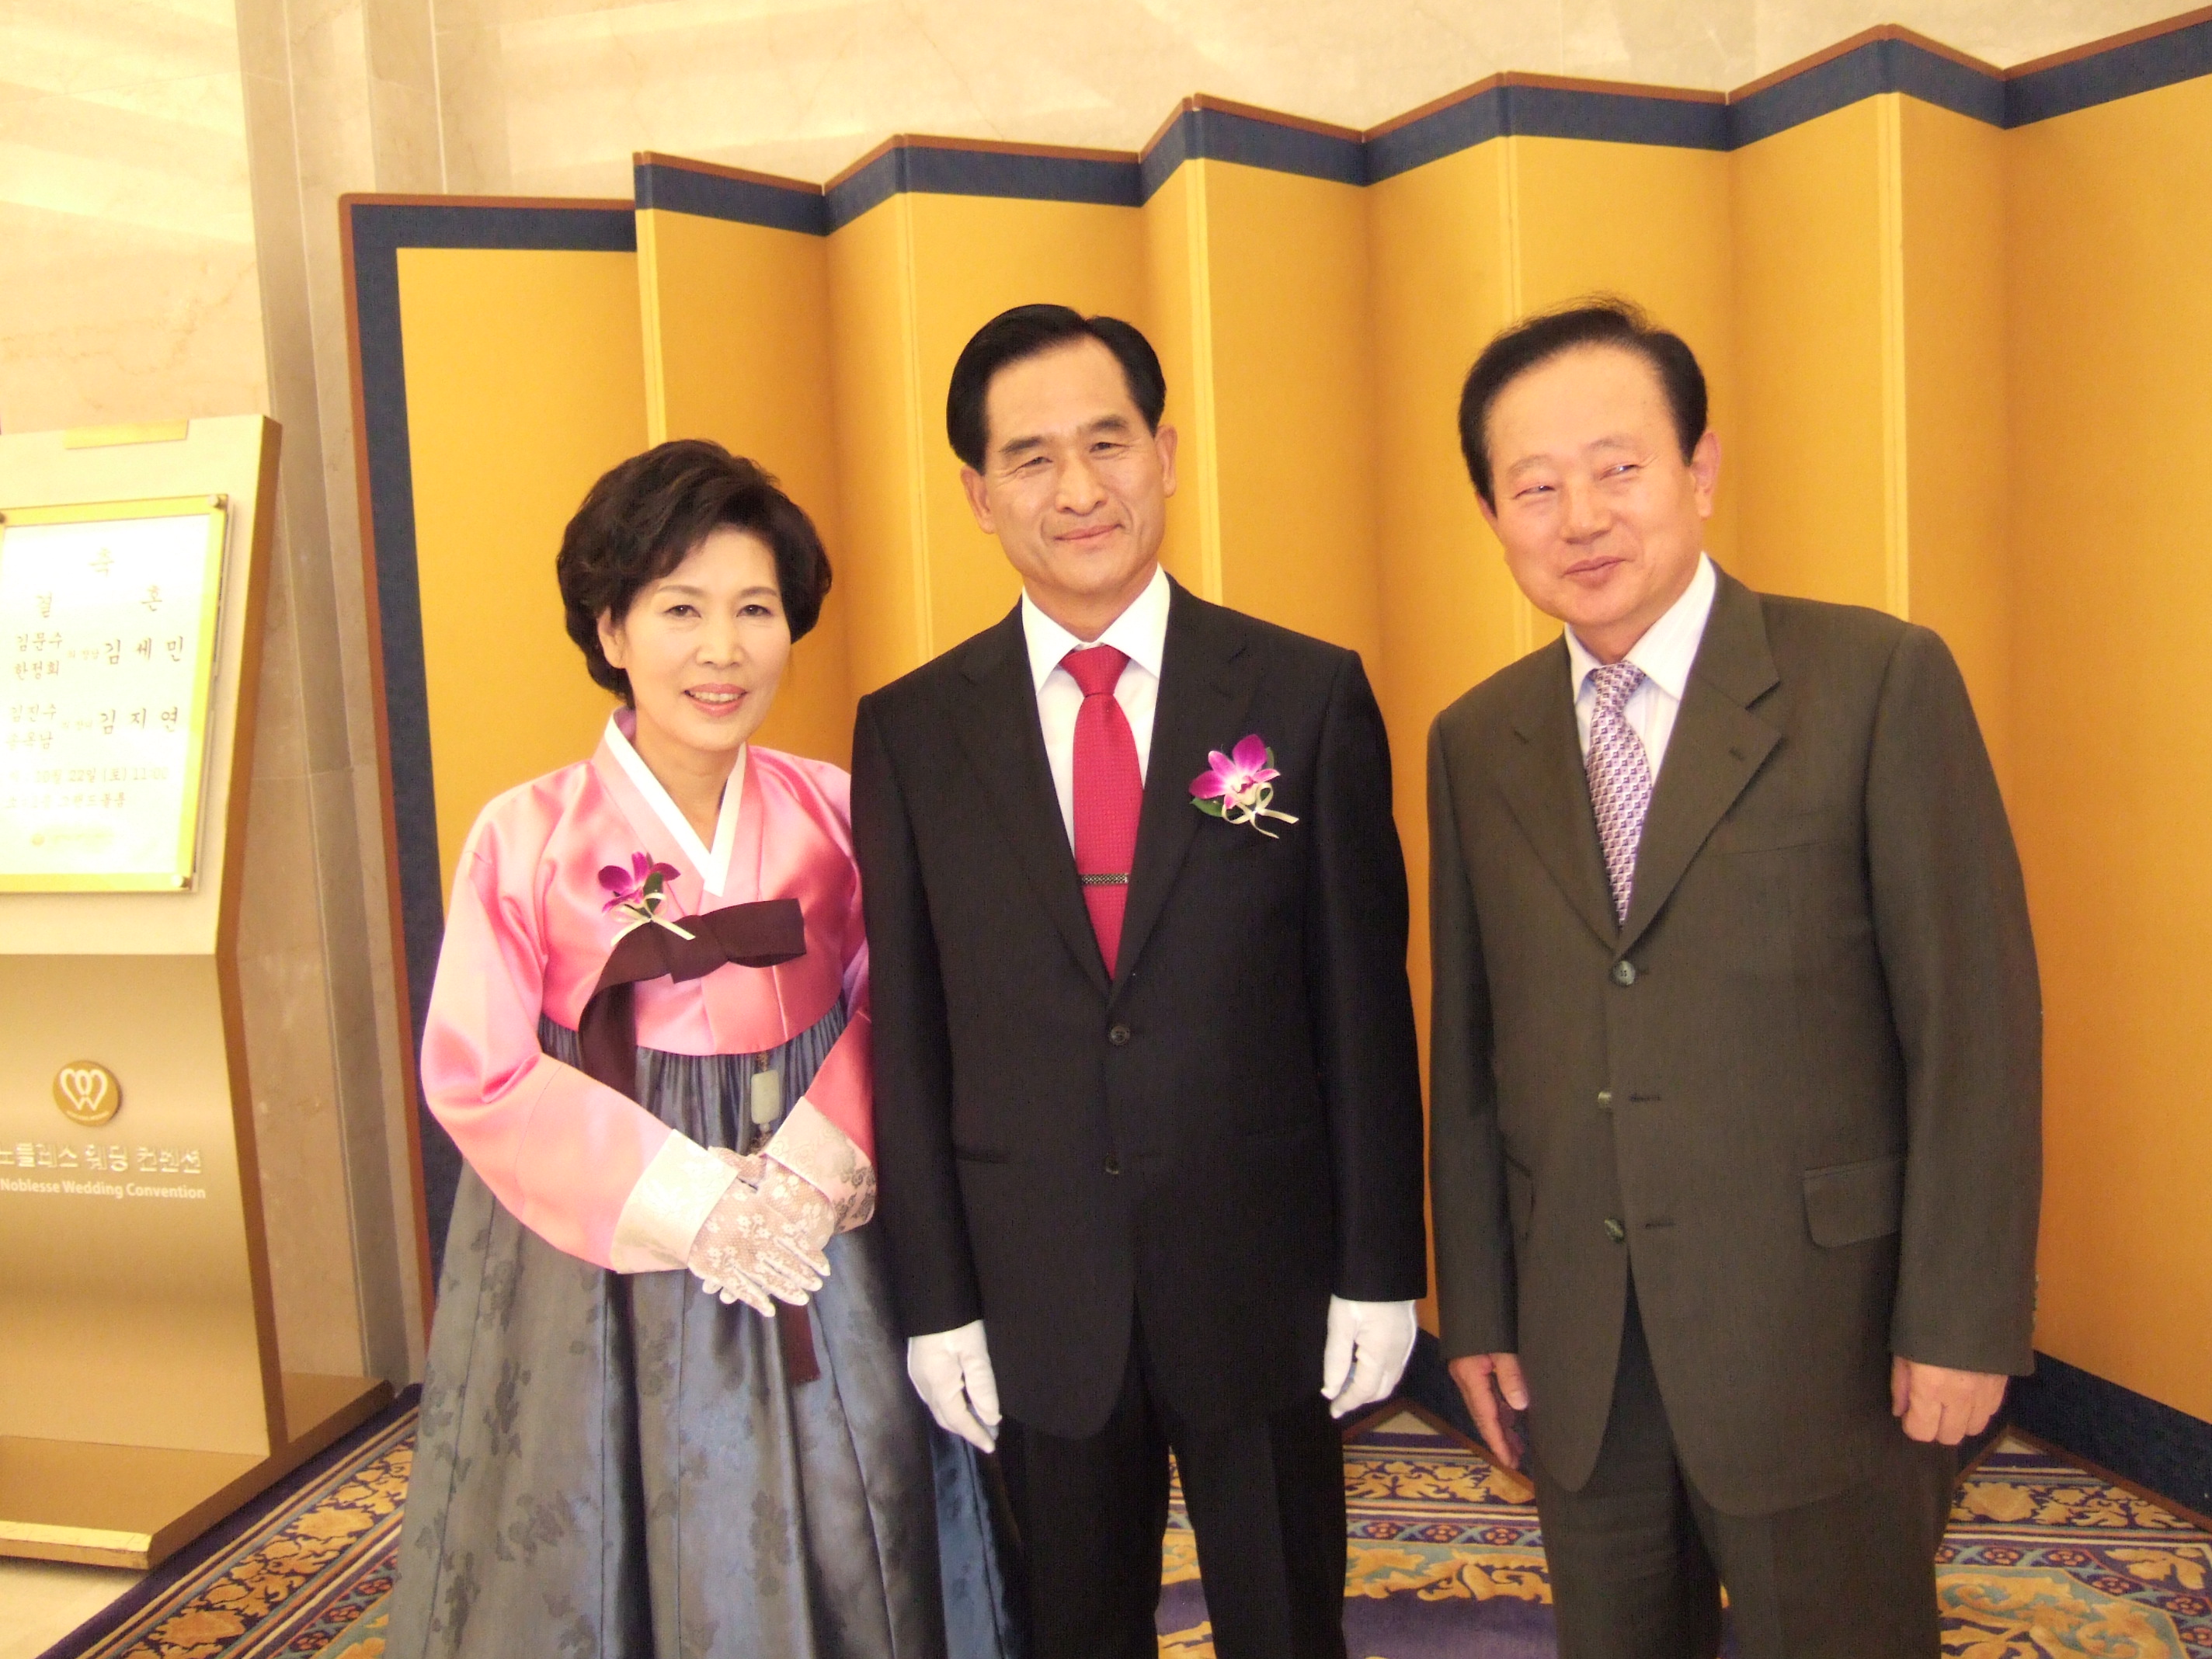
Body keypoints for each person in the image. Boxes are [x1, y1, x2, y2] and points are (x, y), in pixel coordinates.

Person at [1425, 299, 2042, 1657]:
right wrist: (1476, 1310)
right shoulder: (1477, 739)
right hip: (1583, 1351)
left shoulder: (1873, 680)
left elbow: (1975, 1027)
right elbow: (1469, 1056)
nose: (1582, 517)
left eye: (1619, 467)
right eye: (1536, 487)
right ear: (1492, 513)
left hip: (1825, 1344)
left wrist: (1964, 1318)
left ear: (1700, 470)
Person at [851, 304, 1429, 1659]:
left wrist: (1380, 1268)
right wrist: (937, 1300)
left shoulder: (1305, 694)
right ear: (977, 495)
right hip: (1036, 1298)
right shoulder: (914, 732)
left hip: (1261, 1285)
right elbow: (911, 1038)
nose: (1078, 489)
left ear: (1165, 454)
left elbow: (1364, 1012)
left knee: (1288, 1628)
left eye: (1107, 443)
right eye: (1032, 457)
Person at [384, 440, 1017, 1659]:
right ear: (611, 627)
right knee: (594, 1516)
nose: (722, 650)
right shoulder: (525, 836)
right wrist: (691, 1199)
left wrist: (807, 1173)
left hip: (818, 1212)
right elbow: (480, 1069)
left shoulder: (836, 809)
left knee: (863, 1481)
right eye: (681, 610)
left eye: (755, 611)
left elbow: (903, 1006)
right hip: (606, 1239)